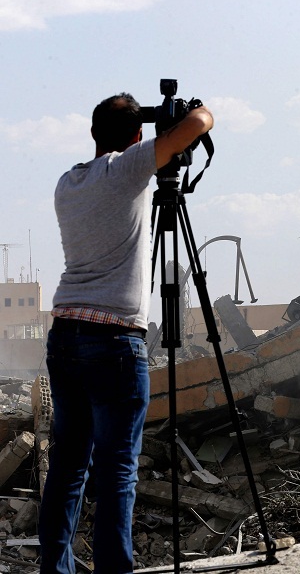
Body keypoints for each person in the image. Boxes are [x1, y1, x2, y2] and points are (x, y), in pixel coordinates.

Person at [40, 93, 213, 573]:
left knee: (68, 466)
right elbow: (201, 121)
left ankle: (55, 569)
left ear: (93, 133)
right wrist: (186, 115)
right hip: (114, 340)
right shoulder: (128, 168)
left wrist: (154, 127)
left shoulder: (68, 182)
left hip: (66, 333)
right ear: (137, 137)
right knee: (117, 470)